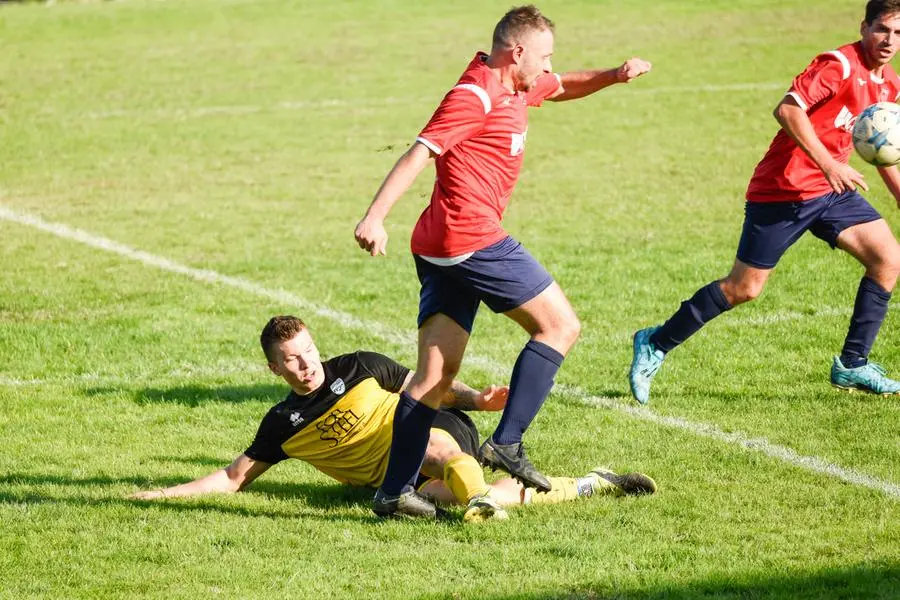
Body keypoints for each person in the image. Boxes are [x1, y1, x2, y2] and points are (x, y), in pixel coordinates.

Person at [354, 4, 652, 518]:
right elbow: (419, 153)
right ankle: (506, 443)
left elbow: (561, 86)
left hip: (439, 246)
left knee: (433, 380)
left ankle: (393, 491)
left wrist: (613, 76)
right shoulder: (475, 95)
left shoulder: (516, 84)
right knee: (560, 327)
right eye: (544, 55)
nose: (549, 65)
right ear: (517, 52)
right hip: (470, 237)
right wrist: (375, 216)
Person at [630, 0, 900, 405]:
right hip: (784, 189)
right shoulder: (838, 65)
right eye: (882, 29)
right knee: (744, 288)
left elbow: (884, 150)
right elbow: (788, 109)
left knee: (887, 260)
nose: (889, 40)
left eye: (898, 33)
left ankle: (852, 362)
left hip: (831, 191)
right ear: (864, 27)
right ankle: (656, 341)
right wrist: (828, 164)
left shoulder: (888, 84)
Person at [130, 316, 657, 522]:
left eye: (309, 350)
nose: (306, 363)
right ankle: (593, 484)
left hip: (434, 433)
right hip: (396, 484)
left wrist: (475, 399)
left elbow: (429, 390)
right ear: (274, 367)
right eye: (292, 359)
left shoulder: (360, 366)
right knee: (490, 495)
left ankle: (475, 501)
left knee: (433, 449)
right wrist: (162, 494)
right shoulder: (283, 421)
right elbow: (231, 479)